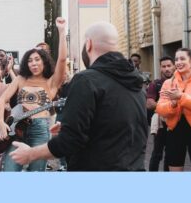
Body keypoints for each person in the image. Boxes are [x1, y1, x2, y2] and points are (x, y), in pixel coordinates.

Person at [9, 22, 147, 171]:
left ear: (88, 44)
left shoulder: (86, 80)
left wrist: (30, 154)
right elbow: (121, 127)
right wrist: (73, 124)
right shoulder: (136, 82)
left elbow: (70, 141)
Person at [0, 18, 68, 171]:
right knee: (10, 171)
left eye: (37, 60)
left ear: (44, 61)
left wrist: (61, 32)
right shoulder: (20, 79)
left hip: (40, 130)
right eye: (30, 61)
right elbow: (1, 100)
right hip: (16, 130)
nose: (33, 63)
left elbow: (61, 60)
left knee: (36, 172)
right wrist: (1, 123)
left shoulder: (51, 82)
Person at [145, 55, 175, 171]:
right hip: (161, 125)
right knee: (157, 153)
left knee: (171, 154)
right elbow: (149, 104)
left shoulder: (180, 82)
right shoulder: (156, 84)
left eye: (169, 66)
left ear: (174, 67)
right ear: (160, 68)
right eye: (164, 66)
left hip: (176, 123)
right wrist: (168, 107)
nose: (167, 68)